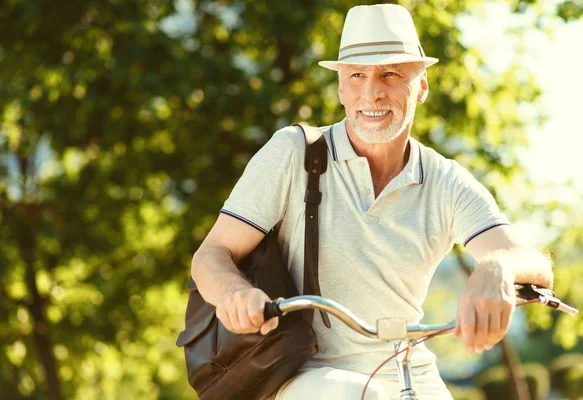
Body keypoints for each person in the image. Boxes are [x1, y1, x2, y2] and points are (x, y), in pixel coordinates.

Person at [191, 4, 554, 400]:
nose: (371, 92)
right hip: (305, 373)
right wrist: (233, 294)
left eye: (391, 74)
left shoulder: (445, 180)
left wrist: (498, 267)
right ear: (341, 89)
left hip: (407, 365)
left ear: (422, 86)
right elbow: (211, 254)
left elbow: (531, 263)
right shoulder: (295, 153)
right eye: (357, 76)